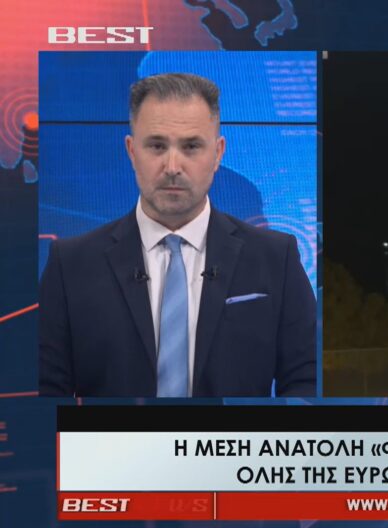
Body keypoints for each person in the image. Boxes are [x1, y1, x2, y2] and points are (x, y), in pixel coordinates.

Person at [39, 73, 316, 397]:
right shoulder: (70, 264)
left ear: (218, 153)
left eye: (191, 146)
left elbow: (306, 381)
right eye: (157, 146)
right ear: (132, 151)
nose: (172, 166)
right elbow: (46, 393)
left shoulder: (276, 257)